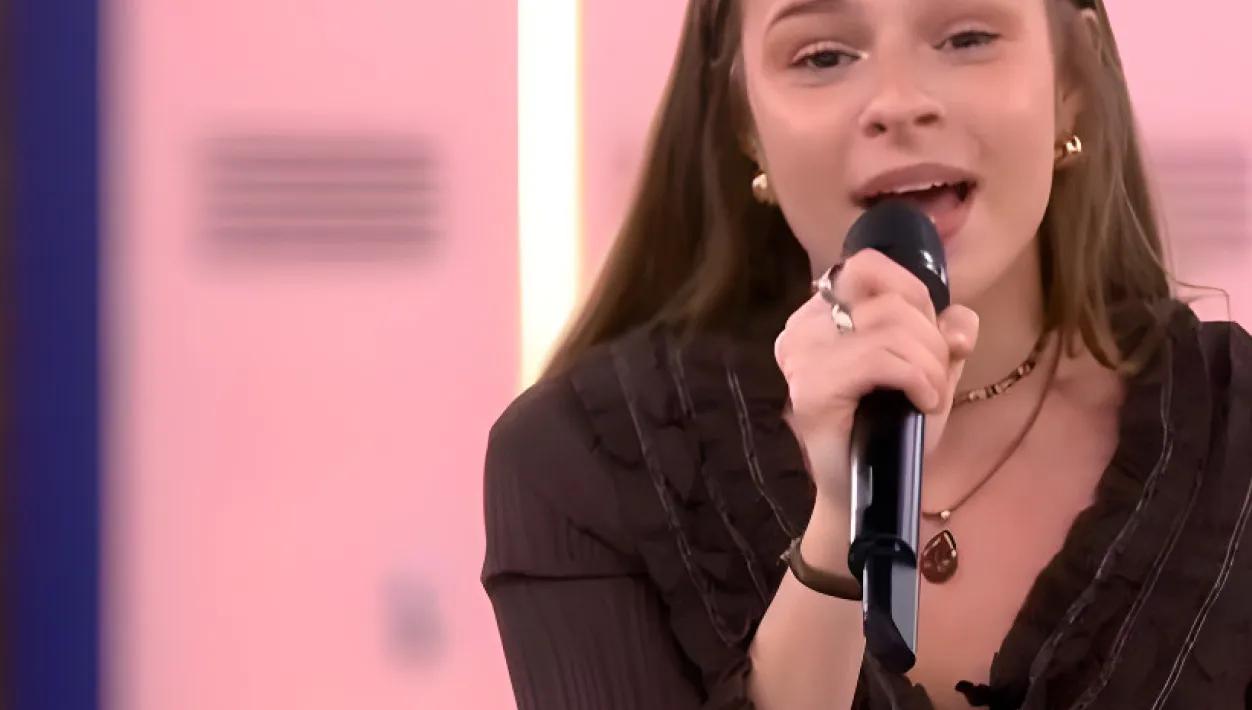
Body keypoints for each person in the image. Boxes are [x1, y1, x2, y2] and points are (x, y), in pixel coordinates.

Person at [480, 0, 1252, 707]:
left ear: (1072, 81)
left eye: (968, 38)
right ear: (744, 117)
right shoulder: (582, 458)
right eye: (823, 56)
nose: (898, 102)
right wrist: (838, 532)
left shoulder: (1232, 433)